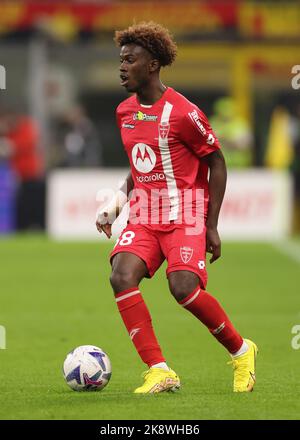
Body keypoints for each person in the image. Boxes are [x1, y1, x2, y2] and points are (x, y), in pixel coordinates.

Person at [96, 22, 258, 394]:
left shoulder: (184, 113)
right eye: (121, 60)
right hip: (146, 213)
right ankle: (159, 370)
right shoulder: (125, 112)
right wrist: (117, 203)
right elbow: (141, 168)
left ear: (152, 65)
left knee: (182, 288)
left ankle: (241, 350)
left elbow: (217, 161)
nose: (122, 67)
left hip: (185, 212)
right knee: (121, 275)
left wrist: (212, 224)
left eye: (130, 60)